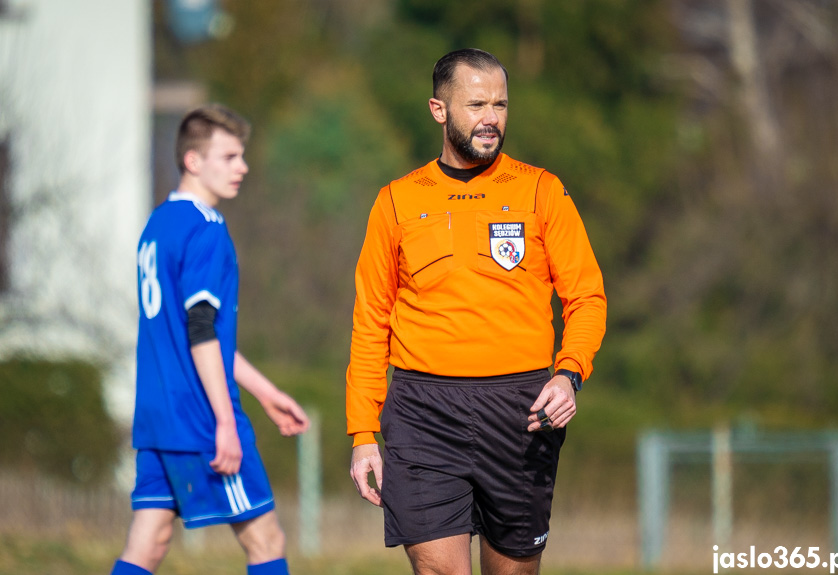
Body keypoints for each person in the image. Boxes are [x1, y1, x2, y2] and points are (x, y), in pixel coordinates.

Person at [346, 49, 607, 574]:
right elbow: (370, 321)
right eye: (476, 105)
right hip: (423, 410)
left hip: (521, 409)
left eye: (501, 105)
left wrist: (568, 373)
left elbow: (586, 297)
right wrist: (363, 434)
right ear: (439, 110)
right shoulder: (396, 201)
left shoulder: (541, 191)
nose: (491, 118)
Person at [110, 105, 309, 575]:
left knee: (150, 542)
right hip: (200, 416)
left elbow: (197, 334)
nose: (242, 167)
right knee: (266, 540)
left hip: (157, 417)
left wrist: (266, 392)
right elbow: (201, 330)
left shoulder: (157, 225)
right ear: (194, 161)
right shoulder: (206, 228)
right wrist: (225, 420)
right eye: (230, 156)